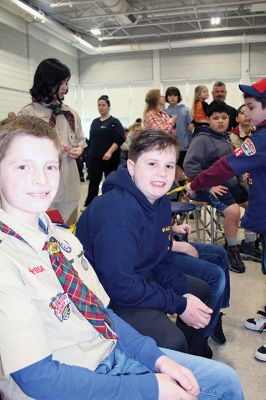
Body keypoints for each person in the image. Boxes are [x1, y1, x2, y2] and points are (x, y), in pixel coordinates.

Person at [0, 116, 244, 400]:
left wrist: (155, 358)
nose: (41, 179)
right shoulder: (7, 259)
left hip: (108, 349)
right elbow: (38, 379)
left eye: (50, 166)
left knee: (225, 380)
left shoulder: (61, 238)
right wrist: (149, 387)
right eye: (22, 166)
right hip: (73, 380)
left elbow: (102, 313)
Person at [76, 129, 229, 358]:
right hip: (104, 294)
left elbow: (159, 258)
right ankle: (171, 363)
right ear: (131, 167)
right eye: (152, 164)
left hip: (136, 276)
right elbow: (119, 286)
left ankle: (191, 358)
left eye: (169, 165)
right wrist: (178, 304)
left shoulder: (159, 202)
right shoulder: (116, 213)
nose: (162, 173)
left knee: (201, 290)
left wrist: (182, 296)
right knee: (171, 340)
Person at [186, 77, 266, 361]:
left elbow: (227, 165)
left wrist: (196, 183)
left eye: (252, 106)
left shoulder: (261, 139)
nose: (246, 112)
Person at [184, 100, 261, 273]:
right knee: (233, 211)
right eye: (216, 118)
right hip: (208, 188)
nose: (220, 121)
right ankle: (231, 248)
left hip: (230, 185)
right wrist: (208, 187)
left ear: (229, 119)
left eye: (224, 118)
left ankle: (248, 246)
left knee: (254, 203)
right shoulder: (202, 139)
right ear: (208, 120)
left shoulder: (225, 138)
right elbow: (190, 166)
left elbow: (234, 165)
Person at [20, 58, 85, 225]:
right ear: (48, 82)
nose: (66, 88)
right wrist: (50, 146)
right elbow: (20, 151)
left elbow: (80, 140)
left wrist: (78, 149)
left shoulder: (70, 114)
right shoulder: (28, 115)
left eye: (67, 83)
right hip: (40, 188)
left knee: (67, 234)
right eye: (62, 83)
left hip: (70, 188)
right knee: (42, 233)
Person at [84, 95, 125, 207]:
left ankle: (111, 204)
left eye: (103, 105)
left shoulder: (114, 122)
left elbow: (119, 139)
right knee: (93, 183)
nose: (101, 107)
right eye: (99, 105)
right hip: (95, 158)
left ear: (108, 107)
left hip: (110, 158)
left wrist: (109, 152)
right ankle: (90, 205)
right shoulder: (95, 122)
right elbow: (92, 140)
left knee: (110, 182)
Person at [165, 86, 193, 167]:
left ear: (178, 97)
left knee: (183, 171)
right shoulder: (164, 112)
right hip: (169, 147)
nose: (172, 97)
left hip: (184, 146)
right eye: (170, 95)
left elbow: (190, 127)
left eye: (175, 95)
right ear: (167, 97)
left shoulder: (186, 110)